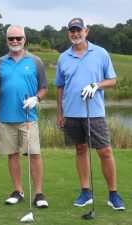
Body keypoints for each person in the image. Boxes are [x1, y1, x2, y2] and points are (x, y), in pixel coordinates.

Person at [54, 18, 125, 210]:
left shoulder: (100, 53)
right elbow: (59, 87)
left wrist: (97, 85)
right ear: (68, 33)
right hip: (72, 112)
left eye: (78, 30)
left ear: (86, 31)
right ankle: (85, 192)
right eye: (72, 31)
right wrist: (60, 114)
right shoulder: (63, 57)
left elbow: (112, 80)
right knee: (80, 149)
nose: (75, 34)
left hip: (94, 112)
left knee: (105, 151)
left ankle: (113, 194)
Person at [0, 25, 49, 208]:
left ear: (25, 38)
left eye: (18, 38)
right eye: (11, 39)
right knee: (12, 154)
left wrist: (36, 98)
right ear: (6, 40)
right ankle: (18, 190)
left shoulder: (35, 61)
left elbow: (44, 87)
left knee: (34, 154)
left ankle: (39, 193)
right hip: (5, 117)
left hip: (28, 116)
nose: (15, 41)